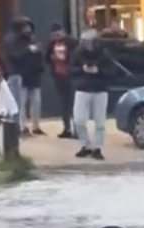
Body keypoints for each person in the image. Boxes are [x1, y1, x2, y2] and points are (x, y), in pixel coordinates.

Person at [70, 29, 114, 160]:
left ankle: (97, 147)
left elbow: (112, 71)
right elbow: (70, 69)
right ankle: (85, 145)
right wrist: (81, 69)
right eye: (84, 41)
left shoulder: (104, 53)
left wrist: (98, 71)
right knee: (79, 120)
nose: (86, 44)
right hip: (82, 88)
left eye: (88, 41)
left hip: (100, 89)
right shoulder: (77, 53)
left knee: (100, 122)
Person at [3, 16, 44, 136]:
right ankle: (22, 127)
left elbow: (38, 54)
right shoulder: (11, 39)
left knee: (36, 102)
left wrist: (39, 66)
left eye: (29, 26)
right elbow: (15, 55)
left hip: (33, 75)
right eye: (25, 27)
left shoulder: (32, 38)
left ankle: (36, 126)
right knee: (21, 102)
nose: (28, 29)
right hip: (19, 75)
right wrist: (29, 50)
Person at [45, 23, 78, 139]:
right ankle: (67, 128)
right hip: (59, 75)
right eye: (54, 34)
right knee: (64, 103)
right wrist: (51, 58)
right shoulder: (52, 44)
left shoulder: (71, 43)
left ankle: (76, 129)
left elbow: (76, 57)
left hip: (71, 76)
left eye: (59, 33)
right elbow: (47, 57)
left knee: (73, 102)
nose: (57, 36)